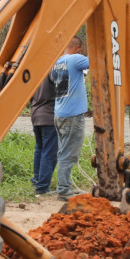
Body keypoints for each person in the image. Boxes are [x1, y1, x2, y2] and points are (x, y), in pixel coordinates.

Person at [51, 35, 89, 200]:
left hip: (59, 113)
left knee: (62, 152)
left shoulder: (57, 62)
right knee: (69, 153)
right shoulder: (76, 59)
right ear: (78, 48)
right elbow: (99, 59)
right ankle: (64, 190)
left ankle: (63, 186)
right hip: (72, 115)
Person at [29, 74, 58, 195]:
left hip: (36, 114)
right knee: (49, 151)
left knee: (40, 149)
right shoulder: (52, 71)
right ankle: (42, 187)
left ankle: (37, 180)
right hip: (49, 115)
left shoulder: (37, 71)